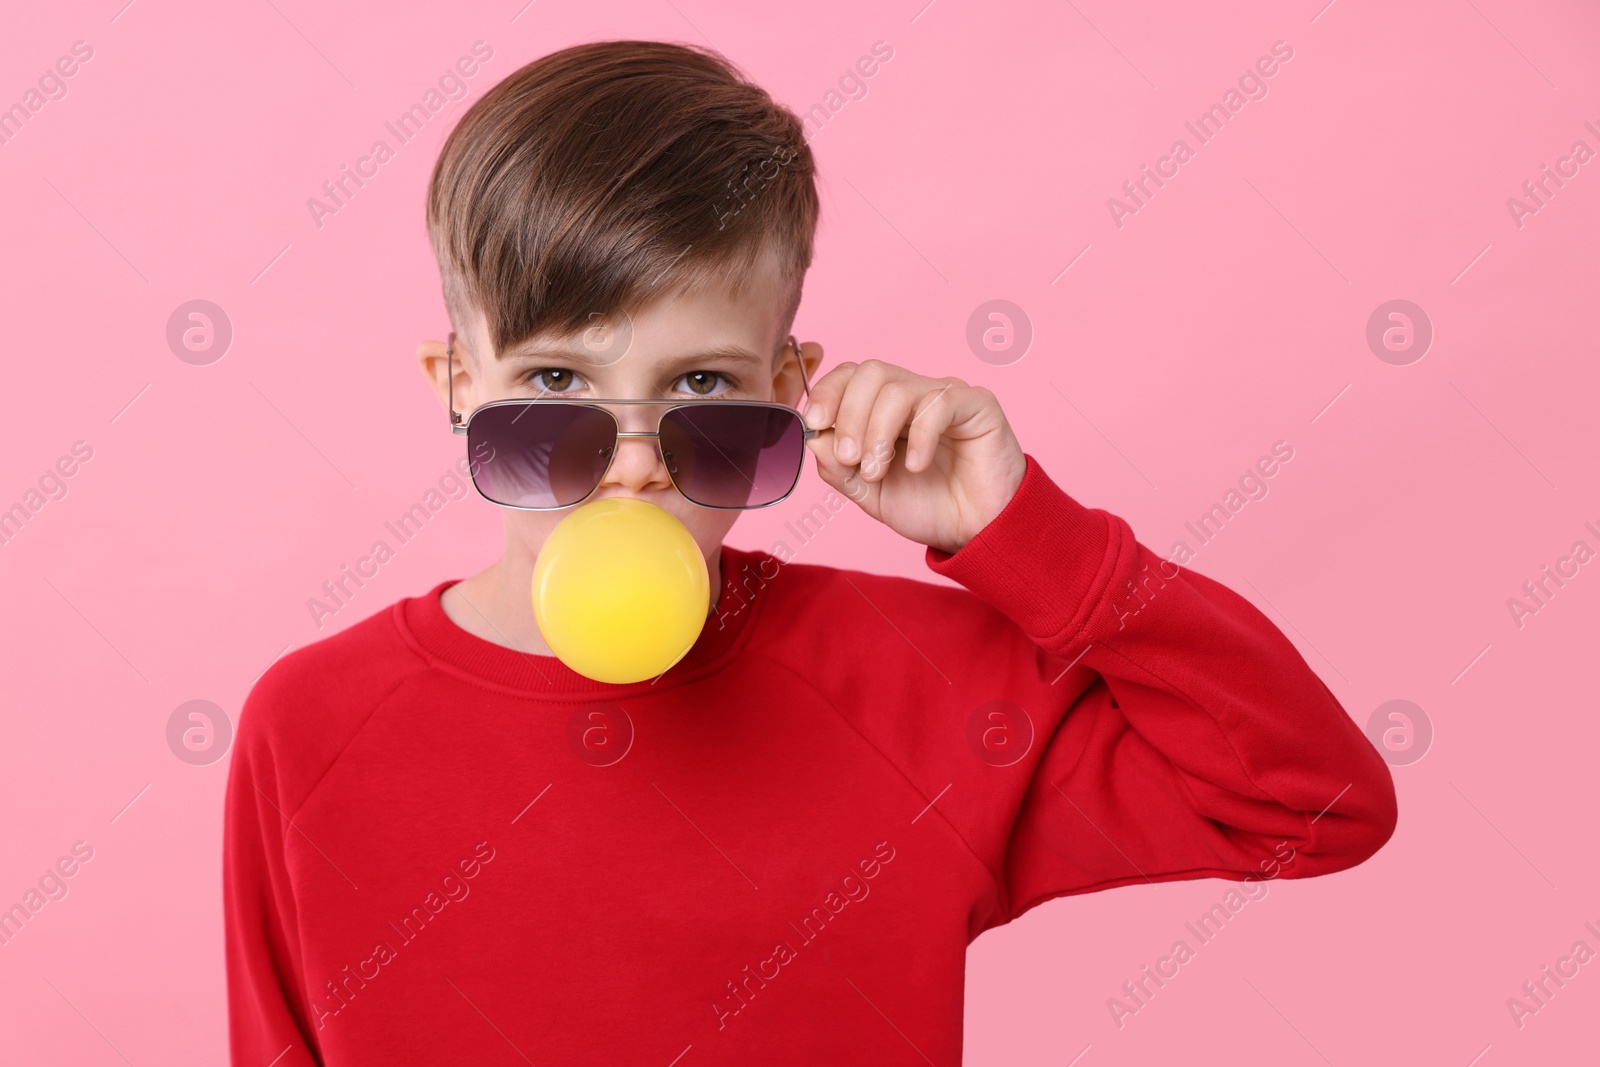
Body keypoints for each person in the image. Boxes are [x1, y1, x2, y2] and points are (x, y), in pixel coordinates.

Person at [223, 38, 1396, 1066]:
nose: (633, 463)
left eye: (699, 385)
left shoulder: (920, 688)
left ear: (787, 393)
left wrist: (1025, 534)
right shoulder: (312, 724)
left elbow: (1313, 803)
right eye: (553, 382)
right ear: (457, 386)